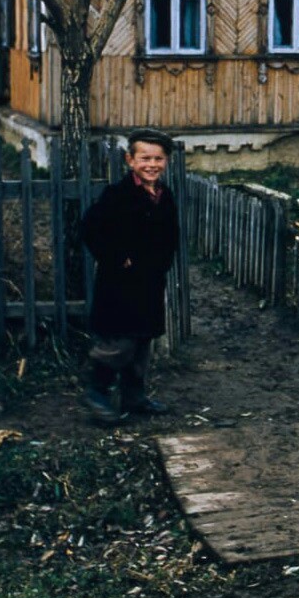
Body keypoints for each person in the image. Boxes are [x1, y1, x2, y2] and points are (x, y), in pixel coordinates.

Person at [79, 128, 181, 425]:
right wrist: (117, 258)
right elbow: (90, 228)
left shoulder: (164, 196)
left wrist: (162, 264)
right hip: (120, 286)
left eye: (158, 159)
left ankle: (134, 396)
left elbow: (170, 236)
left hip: (149, 283)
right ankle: (96, 393)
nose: (152, 164)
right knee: (119, 343)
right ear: (130, 160)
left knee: (141, 342)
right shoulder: (118, 195)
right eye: (145, 158)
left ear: (166, 162)